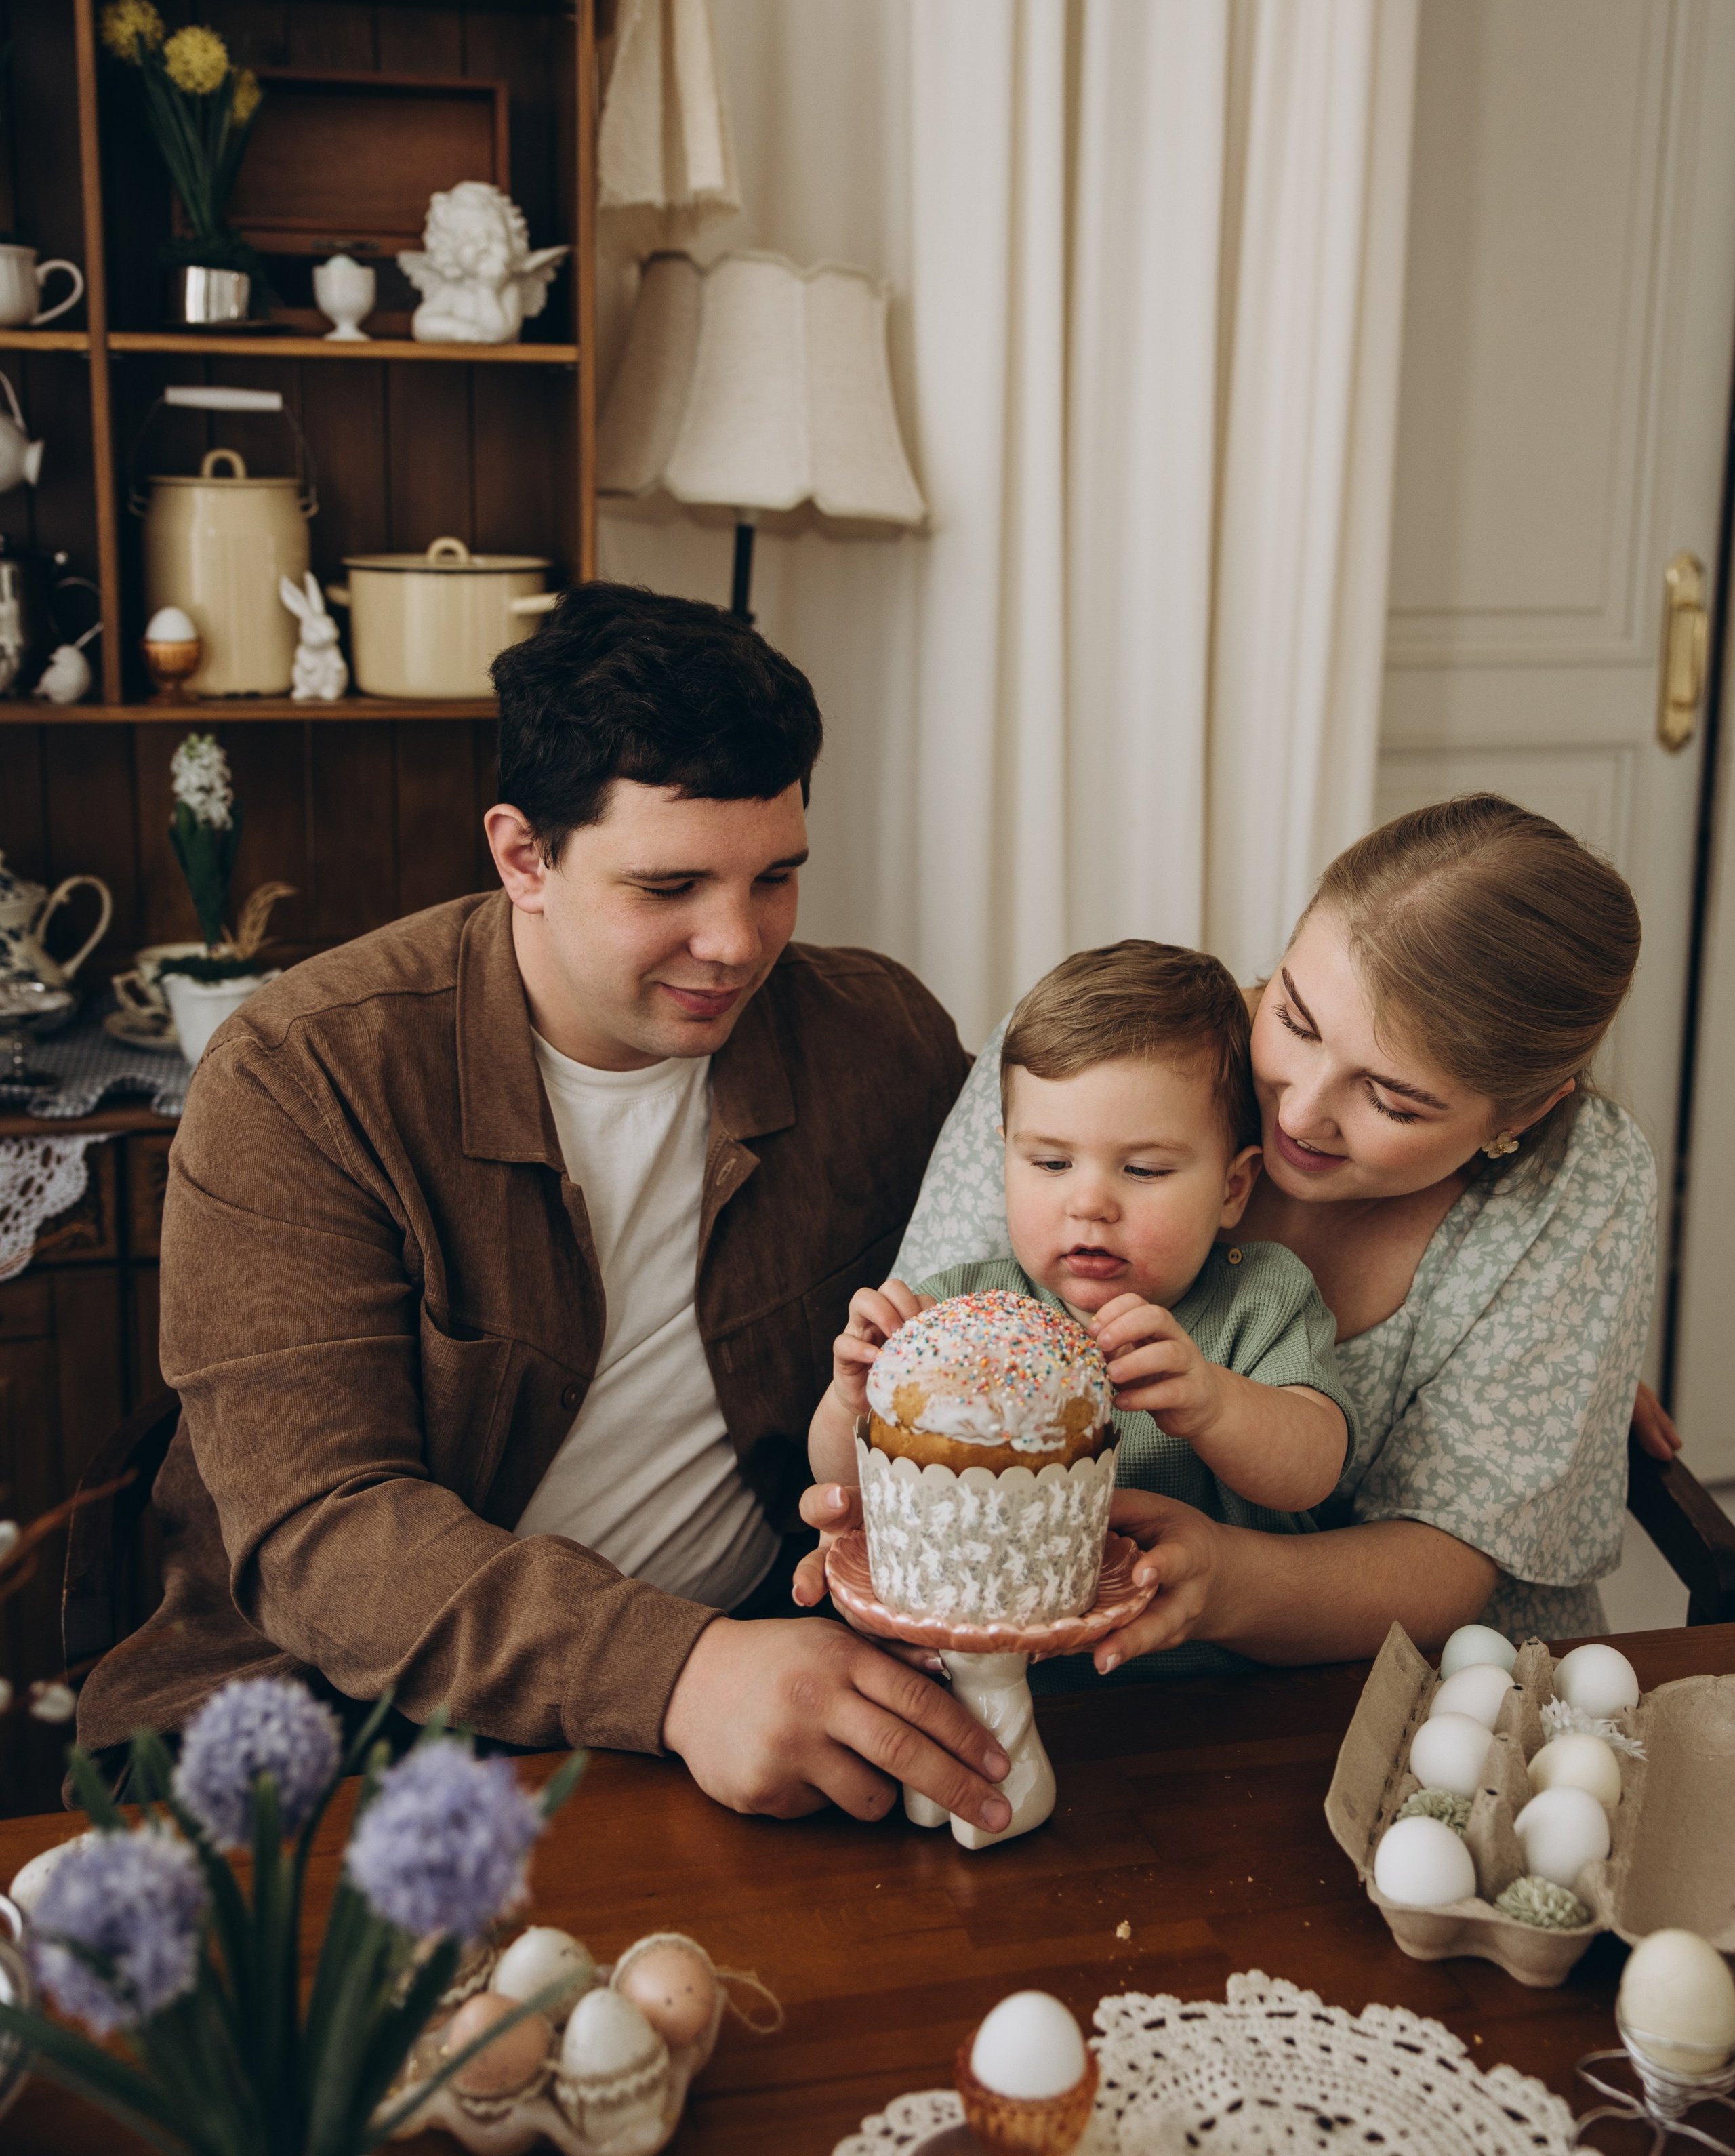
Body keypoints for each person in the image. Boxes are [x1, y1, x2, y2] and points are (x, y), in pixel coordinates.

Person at [77, 584, 1019, 1839]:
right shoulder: (301, 1081)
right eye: (669, 885)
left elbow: (1032, 1287)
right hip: (336, 1726)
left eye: (777, 878)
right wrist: (678, 1672)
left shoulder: (879, 1040)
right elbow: (324, 1536)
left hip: (750, 1715)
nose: (737, 944)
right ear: (524, 856)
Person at [802, 797, 1654, 1671]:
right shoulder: (1096, 1060)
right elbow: (901, 1410)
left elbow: (1443, 1566)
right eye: (1293, 1018)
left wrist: (1218, 1579)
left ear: (1521, 1115)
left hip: (1415, 1679)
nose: (1301, 1110)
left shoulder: (1574, 1182)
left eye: (1392, 1099)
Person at [811, 942, 1355, 1549]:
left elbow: (1314, 1472)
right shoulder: (954, 1311)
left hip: (1205, 1638)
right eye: (1050, 1161)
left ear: (1232, 1189)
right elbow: (850, 1490)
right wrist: (851, 1400)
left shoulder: (1261, 1300)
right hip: (1008, 1635)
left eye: (1145, 1170)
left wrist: (1213, 1403)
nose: (1090, 1203)